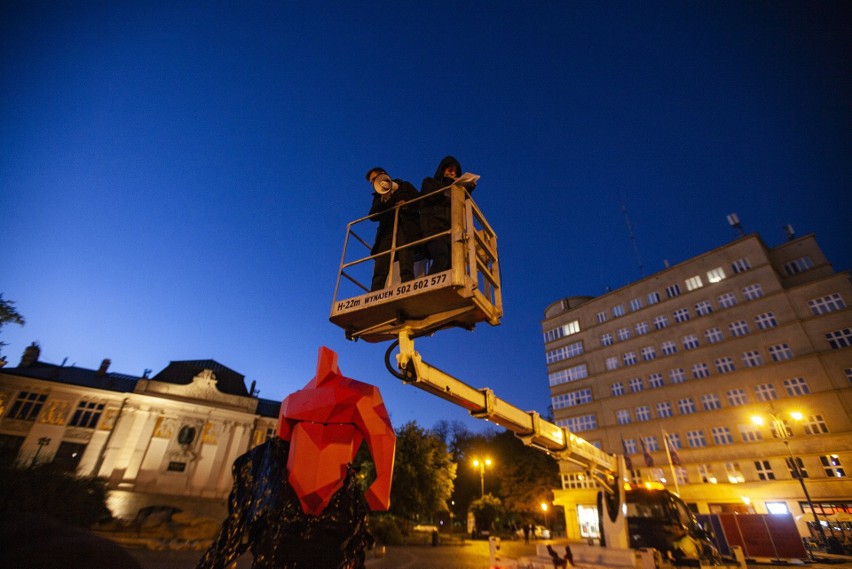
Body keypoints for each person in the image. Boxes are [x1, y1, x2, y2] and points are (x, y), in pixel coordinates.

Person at [365, 167, 420, 291]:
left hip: (405, 227)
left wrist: (406, 204)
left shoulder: (404, 186)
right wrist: (384, 199)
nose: (374, 182)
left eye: (375, 178)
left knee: (406, 261)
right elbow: (372, 216)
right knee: (380, 266)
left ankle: (408, 288)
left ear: (383, 174)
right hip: (386, 232)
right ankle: (374, 293)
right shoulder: (378, 197)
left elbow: (419, 201)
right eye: (372, 181)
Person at [419, 155, 475, 274]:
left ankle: (440, 291)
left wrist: (468, 189)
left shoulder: (457, 190)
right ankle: (431, 291)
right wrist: (450, 185)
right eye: (450, 169)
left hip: (451, 230)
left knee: (451, 264)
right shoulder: (430, 182)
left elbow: (463, 204)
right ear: (443, 169)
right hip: (433, 228)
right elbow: (432, 195)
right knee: (441, 258)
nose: (453, 173)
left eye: (455, 171)